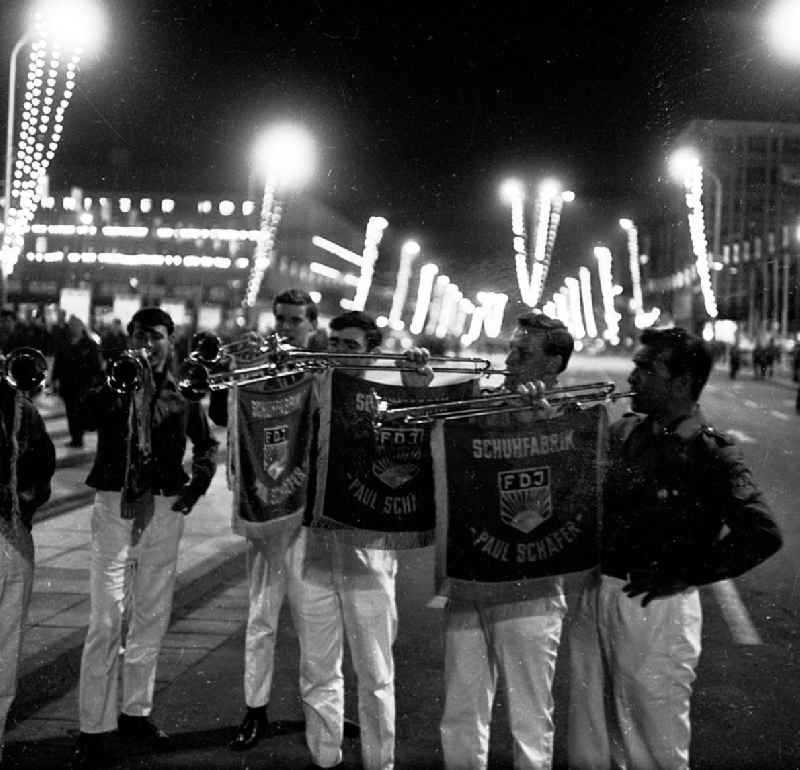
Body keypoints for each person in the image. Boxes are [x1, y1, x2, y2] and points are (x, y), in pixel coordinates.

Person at [567, 326, 782, 770]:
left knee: (653, 743)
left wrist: (687, 573)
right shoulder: (627, 431)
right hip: (597, 592)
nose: (634, 374)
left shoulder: (710, 452)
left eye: (647, 367)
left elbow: (762, 534)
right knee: (590, 736)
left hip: (654, 605)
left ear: (681, 382)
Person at [72, 307, 219, 767]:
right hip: (115, 507)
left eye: (155, 335)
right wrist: (122, 385)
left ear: (169, 341)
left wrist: (197, 484)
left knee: (151, 617)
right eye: (139, 334)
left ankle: (136, 711)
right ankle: (94, 727)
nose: (147, 342)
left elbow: (206, 443)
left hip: (163, 510)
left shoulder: (183, 390)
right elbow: (87, 413)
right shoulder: (116, 378)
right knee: (106, 620)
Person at [286, 310, 431, 770]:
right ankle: (324, 757)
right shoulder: (307, 388)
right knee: (316, 668)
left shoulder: (387, 395)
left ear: (371, 351)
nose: (338, 351)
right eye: (335, 342)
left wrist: (415, 390)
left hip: (367, 550)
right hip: (312, 544)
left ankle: (379, 762)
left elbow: (423, 445)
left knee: (374, 672)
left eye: (350, 345)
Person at [439, 312, 575, 770]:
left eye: (524, 352)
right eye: (512, 349)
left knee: (530, 721)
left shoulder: (571, 417)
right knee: (461, 711)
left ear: (554, 364)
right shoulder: (484, 403)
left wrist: (546, 424)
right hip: (471, 577)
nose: (510, 359)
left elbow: (577, 492)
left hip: (530, 588)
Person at [223, 289, 322, 752]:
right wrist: (236, 373)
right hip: (268, 512)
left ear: (311, 325)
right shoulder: (260, 366)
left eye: (295, 320)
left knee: (312, 622)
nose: (285, 328)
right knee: (261, 618)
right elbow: (225, 420)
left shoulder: (323, 368)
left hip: (309, 514)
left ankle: (320, 711)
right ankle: (254, 709)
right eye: (280, 318)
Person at [0, 369, 56, 764]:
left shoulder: (18, 406)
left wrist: (23, 505)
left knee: (5, 645)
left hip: (9, 532)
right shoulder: (18, 405)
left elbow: (42, 465)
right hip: (10, 531)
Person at [51, 315, 104, 448]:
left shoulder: (89, 345)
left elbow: (96, 366)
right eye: (71, 326)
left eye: (76, 326)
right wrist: (54, 378)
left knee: (78, 411)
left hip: (82, 384)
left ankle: (78, 438)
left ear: (81, 328)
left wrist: (94, 381)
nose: (73, 329)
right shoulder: (64, 343)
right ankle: (75, 437)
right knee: (70, 411)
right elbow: (59, 362)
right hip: (67, 383)